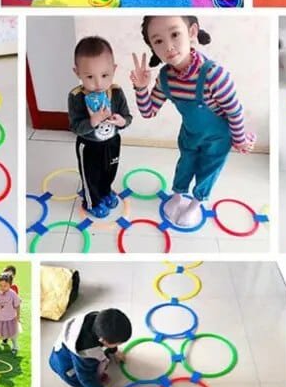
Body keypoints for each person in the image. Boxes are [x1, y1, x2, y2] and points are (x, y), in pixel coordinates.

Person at [131, 16, 254, 228]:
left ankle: (196, 204)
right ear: (152, 47)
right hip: (189, 134)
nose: (168, 46)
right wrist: (141, 88)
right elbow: (148, 112)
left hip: (217, 139)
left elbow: (234, 112)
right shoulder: (165, 78)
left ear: (192, 32)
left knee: (208, 170)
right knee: (184, 166)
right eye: (158, 41)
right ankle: (178, 196)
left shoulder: (214, 75)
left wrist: (240, 140)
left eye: (175, 34)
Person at [68, 36, 133, 218]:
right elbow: (75, 127)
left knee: (109, 171)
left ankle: (105, 191)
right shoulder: (76, 97)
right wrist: (93, 121)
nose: (98, 84)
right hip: (88, 145)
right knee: (91, 176)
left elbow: (128, 117)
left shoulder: (117, 92)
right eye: (89, 77)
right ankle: (92, 201)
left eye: (105, 75)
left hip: (112, 142)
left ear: (113, 70)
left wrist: (121, 121)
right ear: (77, 72)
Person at [49, 308, 132, 387]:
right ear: (103, 341)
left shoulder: (98, 321)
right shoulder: (86, 353)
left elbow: (109, 341)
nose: (119, 344)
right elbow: (85, 377)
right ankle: (96, 384)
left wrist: (115, 351)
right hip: (67, 367)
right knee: (88, 375)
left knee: (96, 363)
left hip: (71, 350)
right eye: (117, 343)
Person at [0, 270, 21, 353]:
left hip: (10, 318)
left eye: (5, 286)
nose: (3, 287)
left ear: (10, 285)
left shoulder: (13, 294)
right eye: (0, 285)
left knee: (12, 333)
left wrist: (18, 316)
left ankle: (15, 345)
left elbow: (17, 305)